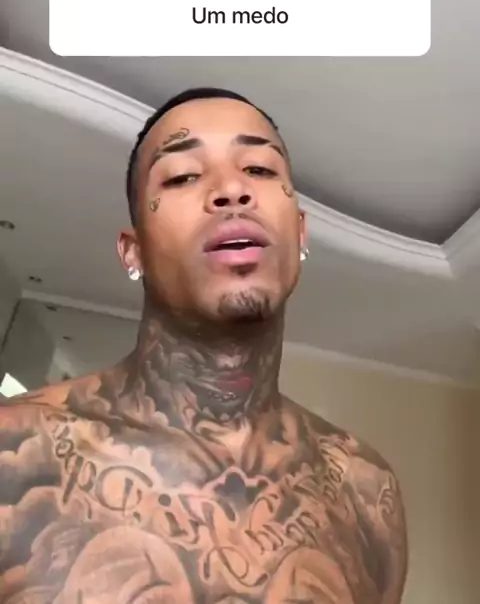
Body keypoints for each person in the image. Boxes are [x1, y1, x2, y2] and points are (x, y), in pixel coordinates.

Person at [0, 87, 407, 604]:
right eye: (182, 176)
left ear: (301, 233)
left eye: (259, 169)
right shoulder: (15, 451)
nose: (232, 189)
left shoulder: (367, 490)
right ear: (134, 252)